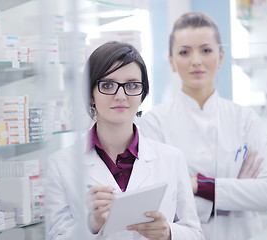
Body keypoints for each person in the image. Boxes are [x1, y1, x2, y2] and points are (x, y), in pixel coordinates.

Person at [139, 12, 267, 240]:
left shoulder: (245, 119)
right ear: (172, 61)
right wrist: (235, 193)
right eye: (184, 52)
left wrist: (197, 185)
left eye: (206, 50)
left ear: (221, 56)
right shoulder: (154, 123)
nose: (196, 60)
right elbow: (162, 202)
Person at [44, 41, 204, 240]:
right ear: (90, 94)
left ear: (142, 93)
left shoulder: (171, 158)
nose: (121, 96)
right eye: (108, 85)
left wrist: (169, 233)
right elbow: (55, 237)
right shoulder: (61, 165)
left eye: (131, 85)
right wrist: (91, 225)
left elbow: (195, 233)